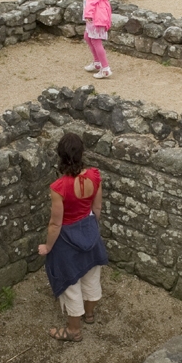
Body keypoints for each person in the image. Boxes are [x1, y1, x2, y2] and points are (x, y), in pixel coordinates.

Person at [38, 133, 109, 342]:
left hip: (67, 239)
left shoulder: (58, 188)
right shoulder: (95, 176)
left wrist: (48, 247)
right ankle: (89, 314)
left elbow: (55, 223)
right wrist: (90, 229)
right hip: (90, 232)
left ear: (60, 156)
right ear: (81, 154)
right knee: (92, 276)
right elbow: (97, 207)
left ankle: (73, 331)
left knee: (71, 284)